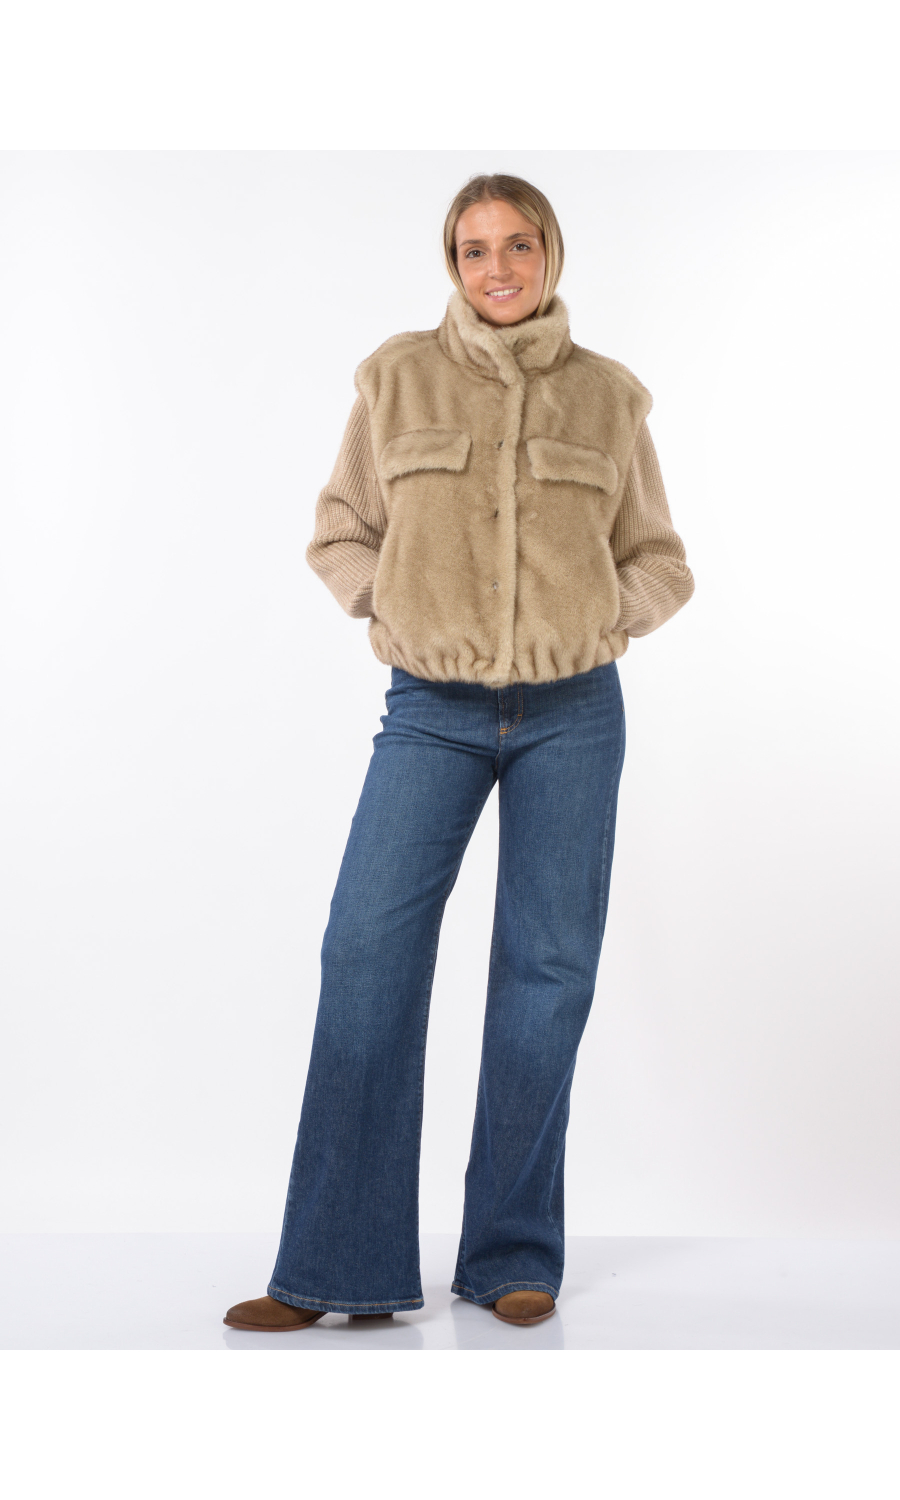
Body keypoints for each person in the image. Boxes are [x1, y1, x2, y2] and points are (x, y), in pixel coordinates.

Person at [224, 173, 694, 1332]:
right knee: (367, 951)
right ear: (452, 262)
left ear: (550, 255)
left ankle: (512, 1256)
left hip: (573, 712)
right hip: (429, 709)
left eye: (518, 246)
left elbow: (660, 559)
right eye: (475, 249)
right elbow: (340, 532)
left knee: (547, 972)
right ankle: (337, 1267)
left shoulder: (609, 398)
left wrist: (602, 621)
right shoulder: (395, 379)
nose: (498, 268)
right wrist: (392, 608)